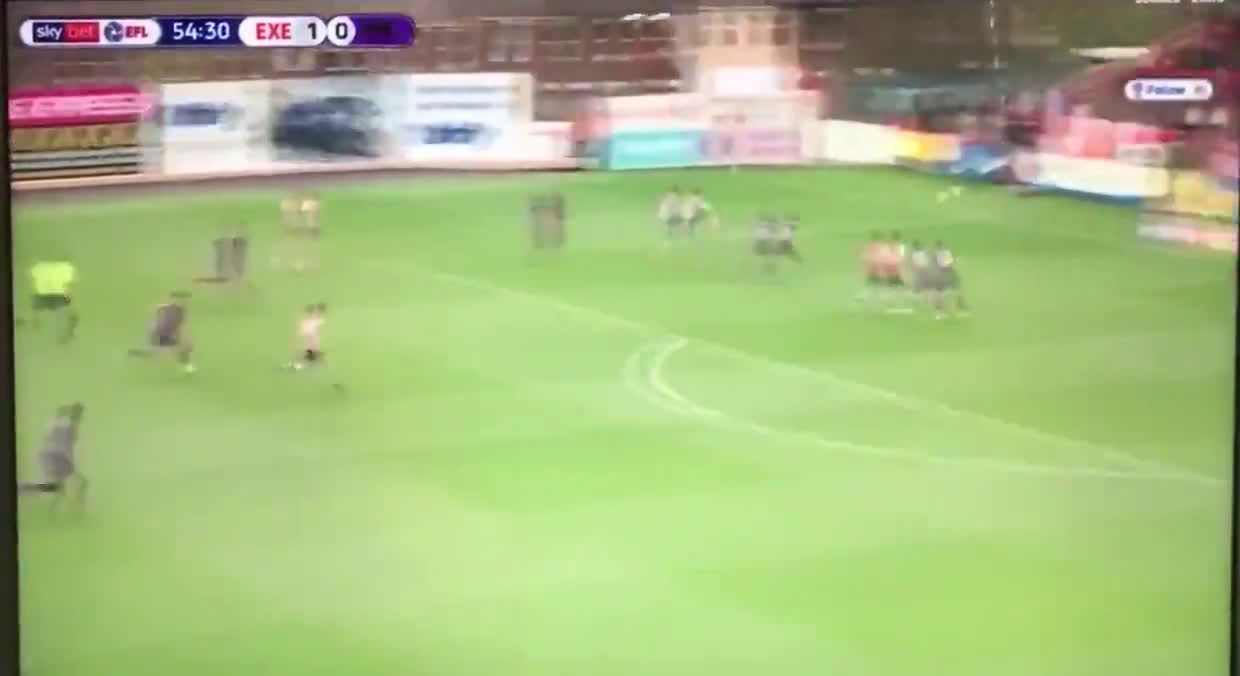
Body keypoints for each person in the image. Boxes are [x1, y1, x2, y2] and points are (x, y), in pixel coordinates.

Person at [18, 403, 88, 512]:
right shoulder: (69, 427)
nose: (80, 418)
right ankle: (24, 490)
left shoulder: (57, 424)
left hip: (49, 457)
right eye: (79, 415)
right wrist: (70, 464)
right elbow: (65, 447)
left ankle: (50, 510)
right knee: (59, 486)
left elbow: (48, 439)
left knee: (57, 487)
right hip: (56, 458)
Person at [129, 291, 195, 373]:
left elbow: (155, 319)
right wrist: (185, 338)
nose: (186, 302)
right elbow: (181, 327)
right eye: (183, 300)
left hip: (160, 333)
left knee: (180, 349)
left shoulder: (165, 308)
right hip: (163, 334)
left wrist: (151, 328)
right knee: (180, 349)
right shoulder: (179, 311)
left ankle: (187, 366)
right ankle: (188, 367)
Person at [286, 303, 345, 393]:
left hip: (311, 349)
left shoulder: (306, 322)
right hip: (312, 350)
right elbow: (310, 337)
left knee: (316, 365)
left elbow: (304, 335)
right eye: (314, 312)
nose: (315, 313)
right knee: (320, 365)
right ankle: (335, 384)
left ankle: (294, 367)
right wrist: (315, 350)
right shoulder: (310, 324)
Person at [27, 259, 79, 343]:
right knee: (73, 315)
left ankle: (34, 326)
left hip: (41, 297)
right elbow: (70, 287)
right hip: (58, 297)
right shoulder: (67, 267)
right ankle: (69, 333)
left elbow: (31, 282)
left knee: (35, 315)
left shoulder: (38, 266)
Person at [932, 240, 969, 318]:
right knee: (953, 291)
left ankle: (940, 311)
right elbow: (947, 262)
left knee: (943, 292)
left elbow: (941, 263)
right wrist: (955, 259)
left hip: (945, 274)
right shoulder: (943, 253)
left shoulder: (938, 253)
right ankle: (959, 308)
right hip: (947, 273)